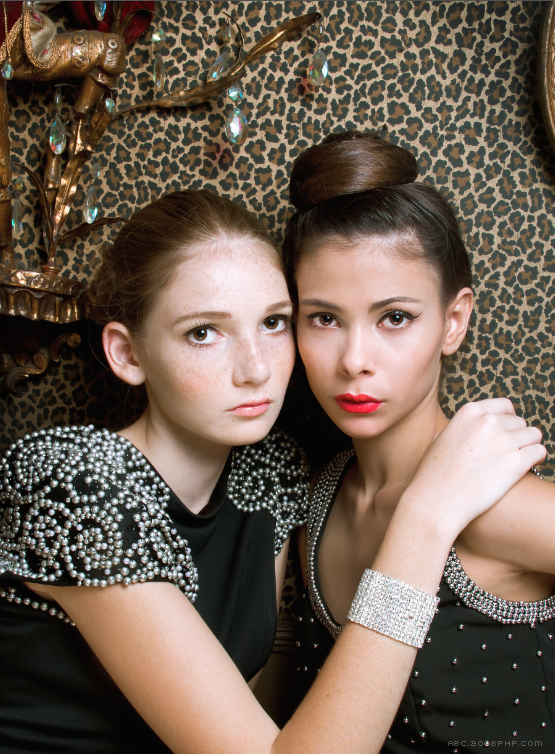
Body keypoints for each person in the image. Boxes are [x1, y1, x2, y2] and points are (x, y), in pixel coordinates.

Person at [0, 189, 545, 754]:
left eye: (274, 322)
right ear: (127, 354)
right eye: (203, 332)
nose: (256, 368)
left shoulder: (272, 471)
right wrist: (426, 515)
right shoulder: (65, 478)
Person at [285, 131, 555, 751]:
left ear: (453, 321)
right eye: (323, 318)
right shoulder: (319, 502)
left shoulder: (500, 508)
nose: (354, 360)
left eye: (395, 318)